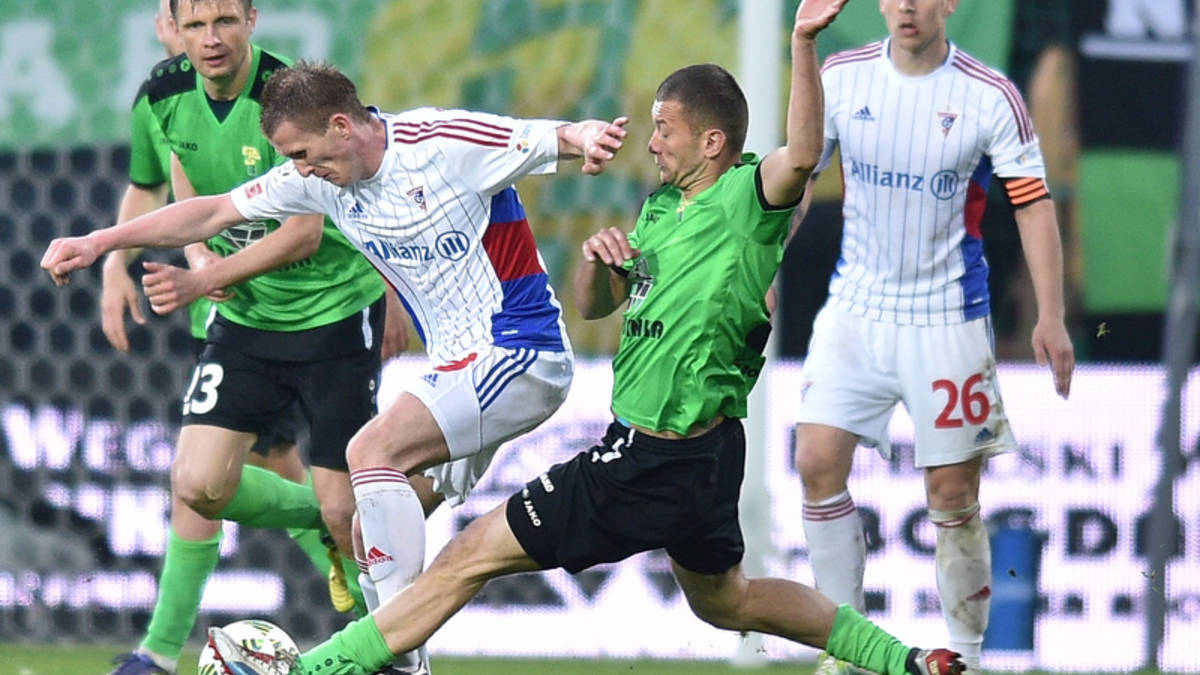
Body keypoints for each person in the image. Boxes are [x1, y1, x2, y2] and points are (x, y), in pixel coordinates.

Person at [191, 1, 967, 673]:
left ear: (711, 143)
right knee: (729, 600)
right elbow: (597, 307)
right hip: (699, 457)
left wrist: (800, 44)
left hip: (646, 460)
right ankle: (903, 658)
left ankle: (317, 666)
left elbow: (800, 154)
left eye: (665, 129)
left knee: (466, 557)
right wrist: (601, 266)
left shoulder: (744, 199)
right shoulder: (661, 213)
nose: (651, 142)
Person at [43, 48, 631, 675]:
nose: (299, 170)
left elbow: (545, 137)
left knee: (369, 453)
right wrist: (99, 242)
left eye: (302, 153)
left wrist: (585, 138)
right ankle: (398, 656)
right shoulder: (317, 179)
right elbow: (212, 211)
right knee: (362, 525)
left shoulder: (438, 143)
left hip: (520, 352)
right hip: (458, 371)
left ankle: (396, 664)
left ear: (341, 126)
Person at [91, 1, 408, 673]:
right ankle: (162, 650)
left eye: (225, 21)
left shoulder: (286, 99)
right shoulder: (163, 95)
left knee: (308, 485)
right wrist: (138, 260)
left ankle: (386, 641)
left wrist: (204, 276)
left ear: (252, 19)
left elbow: (307, 230)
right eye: (195, 24)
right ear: (172, 24)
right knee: (200, 483)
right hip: (240, 319)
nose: (210, 39)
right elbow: (173, 184)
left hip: (329, 315)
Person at [789, 1, 1076, 674]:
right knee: (816, 463)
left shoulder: (990, 95)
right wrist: (763, 265)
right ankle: (846, 651)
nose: (908, 7)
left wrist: (1052, 313)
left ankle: (966, 658)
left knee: (952, 495)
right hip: (855, 308)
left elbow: (1033, 202)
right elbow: (796, 176)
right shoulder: (843, 76)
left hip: (948, 317)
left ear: (950, 4)